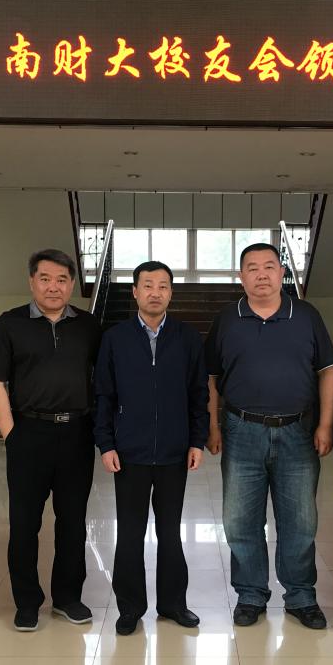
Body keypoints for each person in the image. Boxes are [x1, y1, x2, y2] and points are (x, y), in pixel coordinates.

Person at [206, 243, 333, 630]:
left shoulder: (306, 315)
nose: (261, 274)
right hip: (241, 431)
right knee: (239, 520)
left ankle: (300, 596)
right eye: (252, 268)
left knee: (300, 521)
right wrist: (213, 425)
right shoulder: (228, 318)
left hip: (298, 432)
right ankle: (250, 594)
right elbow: (210, 377)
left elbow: (328, 371)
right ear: (241, 277)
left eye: (269, 266)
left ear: (282, 273)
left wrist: (325, 424)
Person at [0, 249, 102, 632]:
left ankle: (67, 597)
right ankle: (27, 602)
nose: (53, 287)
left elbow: (104, 378)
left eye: (62, 279)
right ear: (32, 281)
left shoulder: (88, 326)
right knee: (24, 523)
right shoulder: (9, 324)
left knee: (73, 522)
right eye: (45, 278)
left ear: (72, 284)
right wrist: (12, 435)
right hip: (28, 433)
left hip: (77, 434)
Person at [94, 261, 210, 636]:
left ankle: (173, 604)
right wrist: (106, 444)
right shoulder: (115, 338)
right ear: (135, 292)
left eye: (162, 286)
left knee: (170, 531)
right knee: (129, 533)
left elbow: (199, 394)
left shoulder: (187, 338)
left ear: (171, 293)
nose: (155, 292)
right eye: (148, 285)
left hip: (175, 452)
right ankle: (130, 607)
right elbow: (104, 395)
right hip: (129, 452)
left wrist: (197, 440)